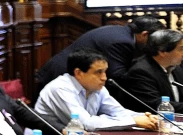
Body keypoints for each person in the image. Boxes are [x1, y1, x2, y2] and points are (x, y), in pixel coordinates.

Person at [35, 48, 158, 131]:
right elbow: (85, 124)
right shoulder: (60, 88)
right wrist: (134, 121)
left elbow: (118, 112)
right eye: (98, 72)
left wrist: (146, 117)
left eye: (105, 71)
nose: (104, 78)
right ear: (78, 73)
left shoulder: (96, 87)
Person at [35, 15, 164, 92]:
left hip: (69, 75)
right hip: (60, 76)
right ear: (144, 34)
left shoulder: (122, 32)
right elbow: (117, 77)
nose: (154, 45)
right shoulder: (123, 42)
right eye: (153, 40)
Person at [122, 29, 183, 113]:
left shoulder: (176, 68)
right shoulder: (141, 72)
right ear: (162, 51)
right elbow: (156, 104)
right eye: (181, 49)